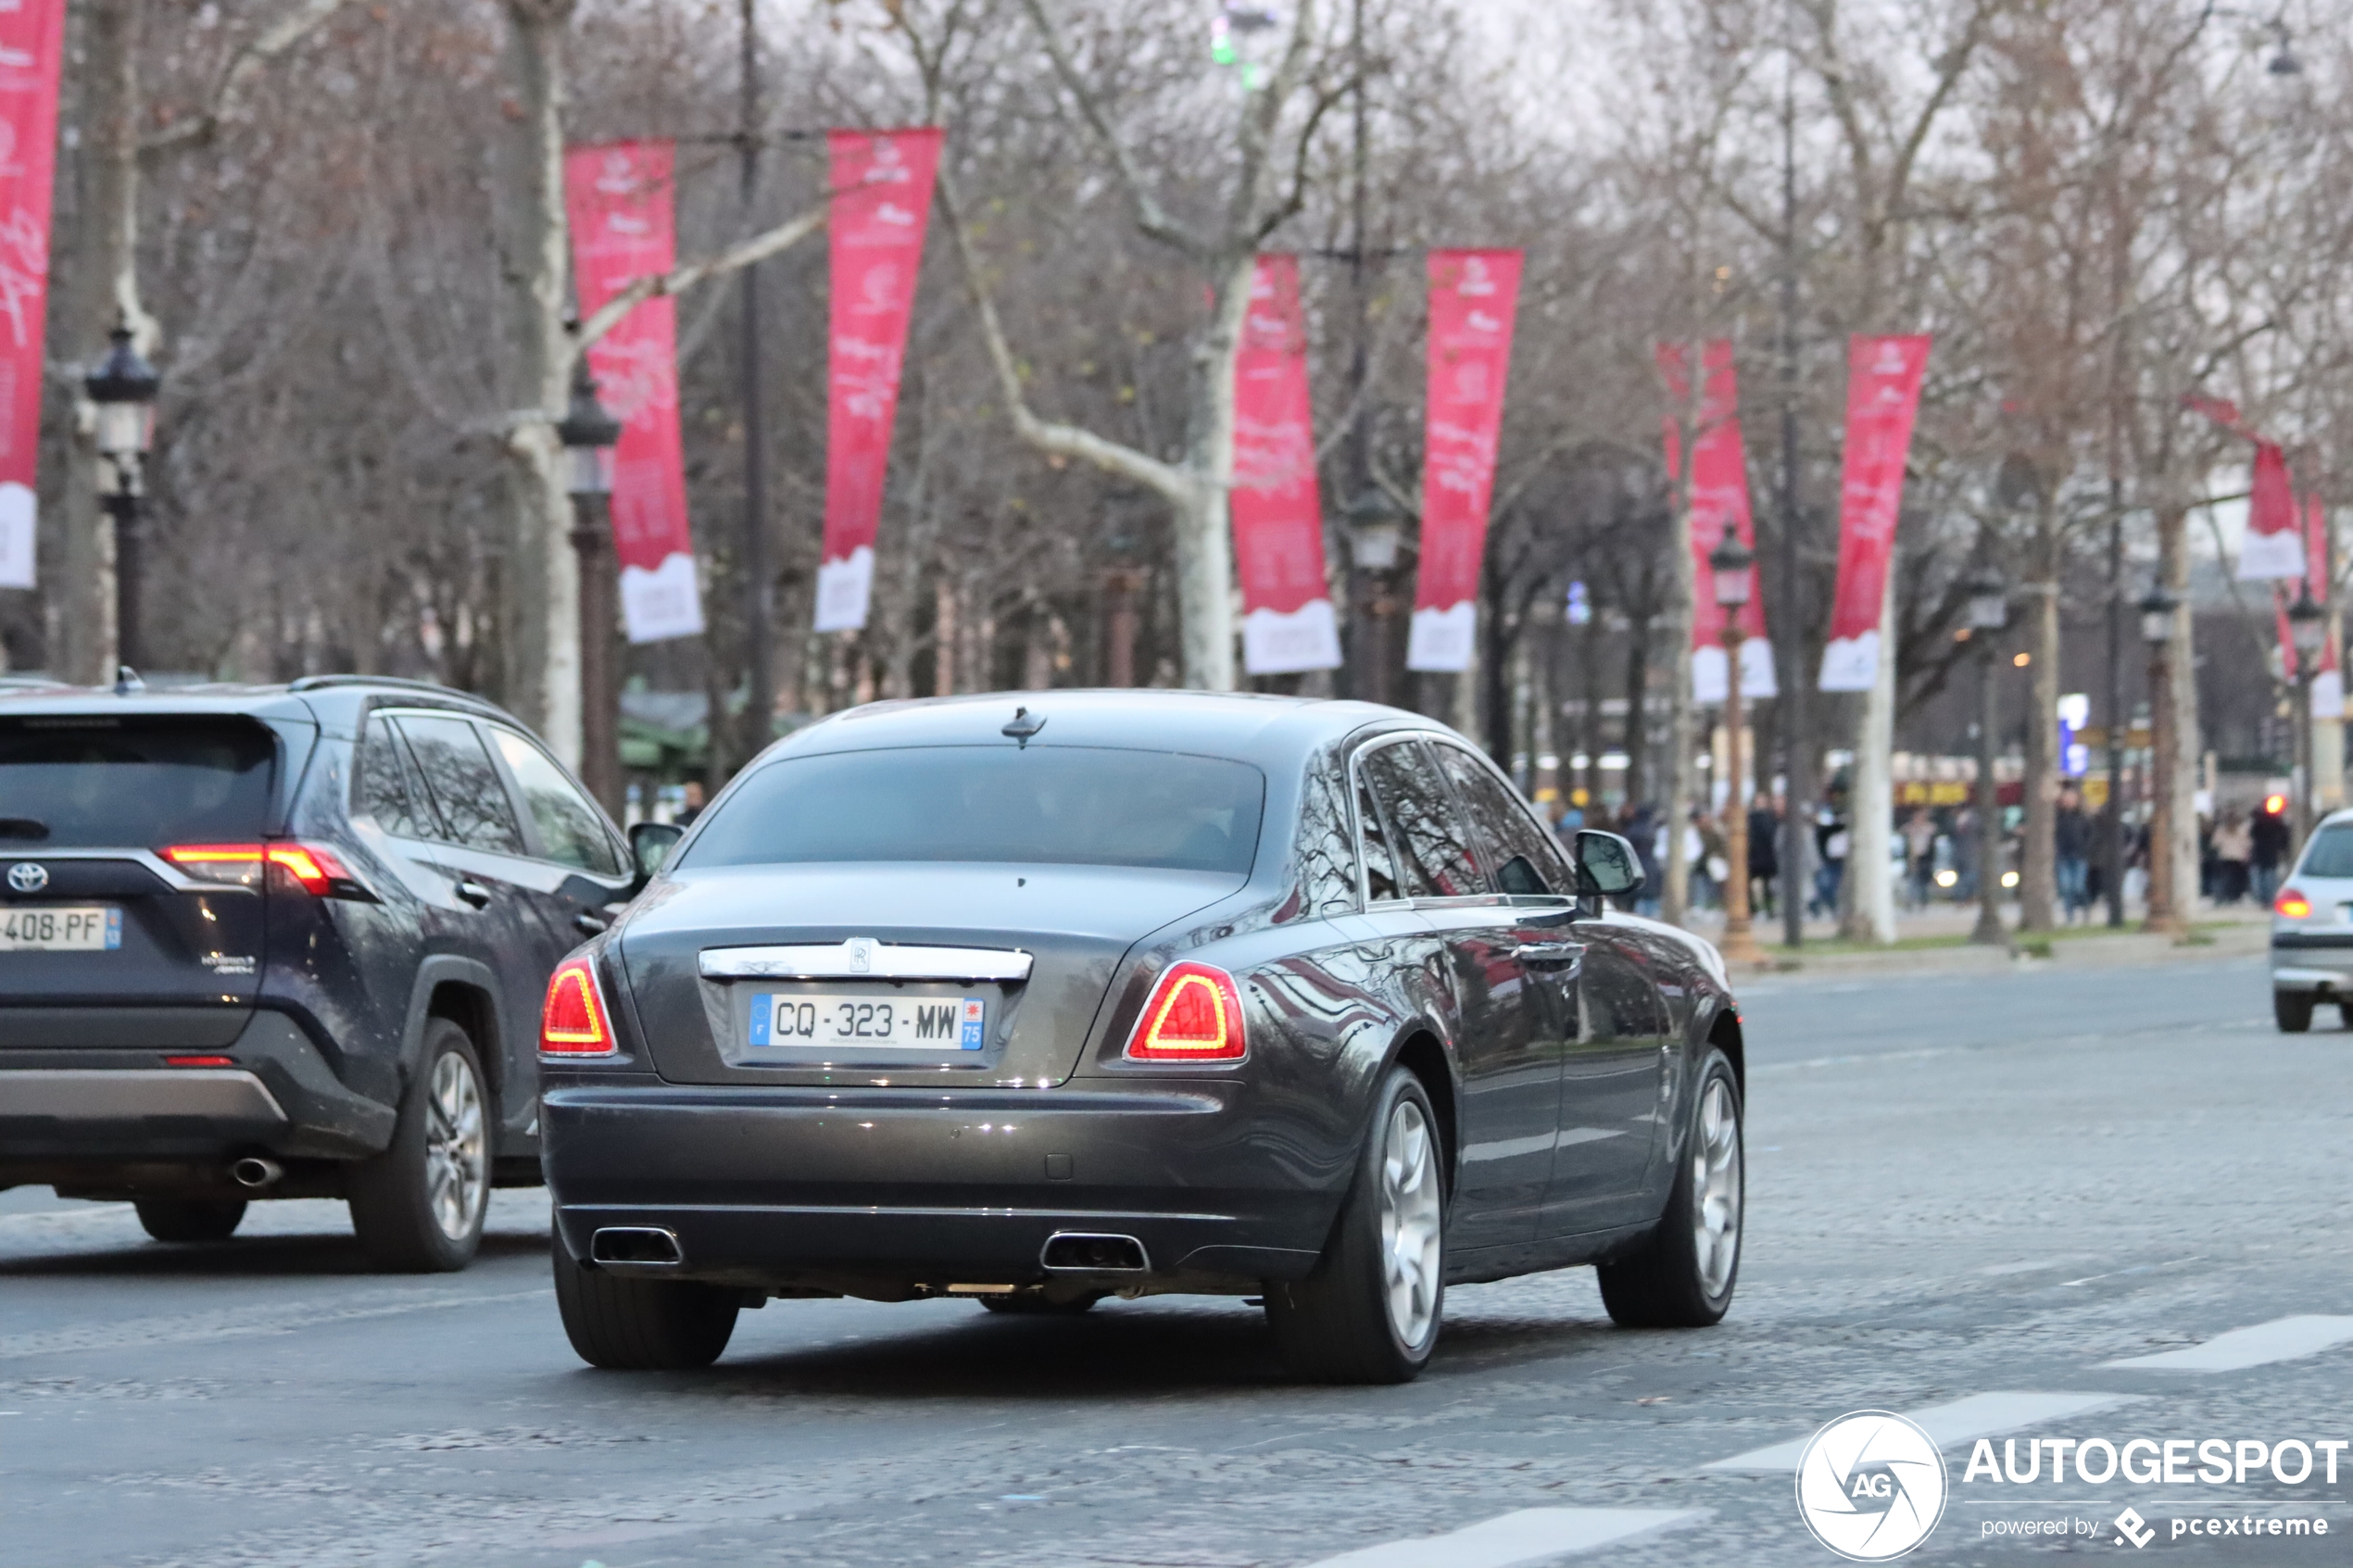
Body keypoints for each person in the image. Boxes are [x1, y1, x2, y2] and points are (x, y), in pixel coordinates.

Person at [2054, 786, 2092, 922]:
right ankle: (2069, 916)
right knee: (2066, 887)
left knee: (2078, 886)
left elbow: (2090, 835)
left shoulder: (2082, 817)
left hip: (2079, 855)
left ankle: (2086, 906)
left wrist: (2086, 849)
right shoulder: (2058, 817)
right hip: (2063, 856)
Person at [1747, 791, 1780, 917]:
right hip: (1754, 857)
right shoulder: (1751, 817)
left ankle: (1769, 909)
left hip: (1767, 857)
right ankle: (1754, 909)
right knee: (1749, 885)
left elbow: (1772, 835)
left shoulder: (1770, 817)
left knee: (1768, 886)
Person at [2251, 803, 2291, 907]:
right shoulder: (2262, 823)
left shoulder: (2275, 824)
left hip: (2267, 855)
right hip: (2265, 855)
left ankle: (2267, 899)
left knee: (2267, 878)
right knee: (2266, 878)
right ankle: (2266, 899)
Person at [1812, 808, 1848, 919]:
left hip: (1838, 861)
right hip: (1828, 861)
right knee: (1826, 887)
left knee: (1830, 886)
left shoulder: (1834, 829)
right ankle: (1824, 907)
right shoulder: (1823, 831)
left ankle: (1830, 907)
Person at [2211, 807, 2252, 906]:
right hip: (2238, 857)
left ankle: (2222, 897)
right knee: (2237, 880)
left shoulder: (2221, 830)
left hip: (2225, 856)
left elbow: (2215, 844)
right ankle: (2234, 897)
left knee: (2224, 879)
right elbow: (2247, 844)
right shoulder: (2242, 830)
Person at [1903, 806, 1938, 909]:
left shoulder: (1929, 829)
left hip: (1925, 858)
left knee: (1923, 882)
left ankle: (1923, 901)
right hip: (1913, 858)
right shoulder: (1910, 829)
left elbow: (1932, 841)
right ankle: (1910, 901)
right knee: (1912, 880)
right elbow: (1904, 832)